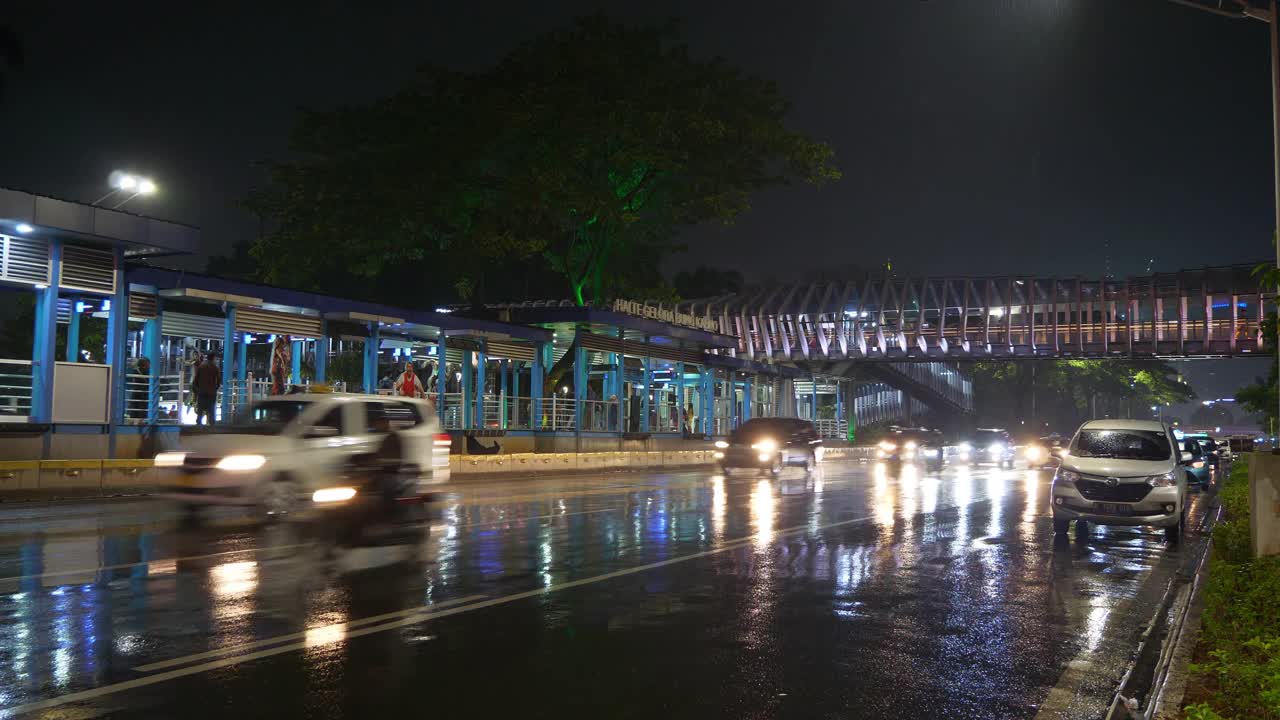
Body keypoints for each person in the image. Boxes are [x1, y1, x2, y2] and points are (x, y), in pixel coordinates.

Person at [192, 353, 221, 426]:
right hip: (211, 392)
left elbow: (196, 379)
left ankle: (199, 422)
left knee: (200, 408)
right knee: (211, 408)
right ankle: (211, 423)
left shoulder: (201, 367)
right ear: (213, 358)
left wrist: (196, 389)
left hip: (202, 391)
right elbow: (218, 381)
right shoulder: (215, 368)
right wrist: (216, 388)